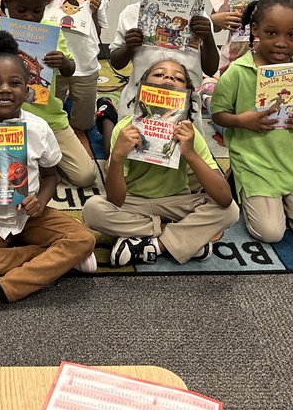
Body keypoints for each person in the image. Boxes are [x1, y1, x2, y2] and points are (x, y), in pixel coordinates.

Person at [0, 30, 97, 326]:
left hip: (29, 215)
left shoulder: (38, 128)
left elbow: (50, 175)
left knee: (84, 238)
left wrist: (41, 201)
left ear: (27, 91)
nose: (4, 90)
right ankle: (50, 257)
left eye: (14, 83)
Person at [84, 59, 238, 265]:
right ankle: (184, 237)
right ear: (142, 87)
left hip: (177, 202)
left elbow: (225, 198)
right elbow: (115, 199)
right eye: (159, 74)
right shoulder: (125, 129)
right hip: (134, 202)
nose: (168, 78)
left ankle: (155, 244)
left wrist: (190, 153)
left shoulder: (189, 133)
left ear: (187, 94)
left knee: (230, 211)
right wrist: (118, 156)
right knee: (92, 210)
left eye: (178, 78)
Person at [210, 0, 293, 243]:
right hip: (255, 162)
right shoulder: (237, 72)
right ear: (256, 30)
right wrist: (242, 121)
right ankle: (240, 182)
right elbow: (218, 114)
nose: (281, 43)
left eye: (292, 35)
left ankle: (276, 200)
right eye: (271, 33)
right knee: (270, 233)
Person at [0, 0, 96, 187]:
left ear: (45, 4)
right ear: (7, 3)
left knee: (86, 176)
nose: (29, 17)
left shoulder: (52, 32)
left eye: (37, 10)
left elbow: (70, 70)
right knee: (2, 175)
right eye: (21, 10)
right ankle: (41, 162)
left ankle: (43, 159)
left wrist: (64, 62)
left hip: (49, 117)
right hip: (7, 119)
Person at [109, 0, 218, 141]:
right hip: (138, 101)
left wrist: (208, 38)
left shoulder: (199, 18)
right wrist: (129, 47)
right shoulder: (131, 14)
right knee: (133, 149)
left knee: (184, 151)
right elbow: (116, 62)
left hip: (186, 107)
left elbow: (211, 69)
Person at [45, 0, 110, 133]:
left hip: (85, 63)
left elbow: (97, 32)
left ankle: (103, 108)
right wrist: (39, 1)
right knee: (51, 118)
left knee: (84, 123)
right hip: (54, 63)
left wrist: (95, 10)